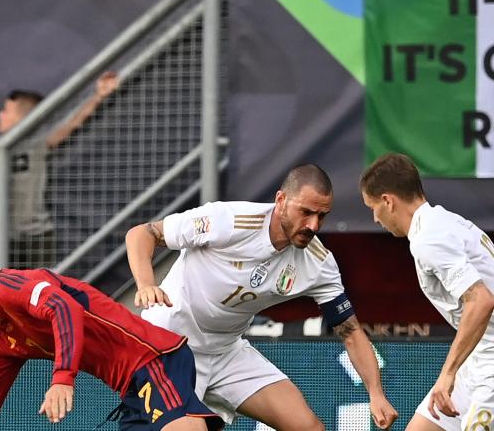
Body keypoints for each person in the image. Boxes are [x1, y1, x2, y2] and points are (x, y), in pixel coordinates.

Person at [125, 164, 399, 429]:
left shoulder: (319, 263)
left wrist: (376, 394)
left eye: (322, 215)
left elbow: (350, 331)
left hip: (225, 351)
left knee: (306, 427)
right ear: (281, 200)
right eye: (305, 212)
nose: (313, 225)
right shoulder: (229, 220)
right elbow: (143, 233)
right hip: (171, 343)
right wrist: (147, 284)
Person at [0, 252, 225, 430]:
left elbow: (65, 308)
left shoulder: (15, 285)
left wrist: (63, 379)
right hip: (132, 388)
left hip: (154, 359)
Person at [359, 153, 494, 431]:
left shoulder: (428, 239)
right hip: (479, 365)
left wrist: (447, 375)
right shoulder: (451, 221)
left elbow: (482, 301)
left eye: (372, 207)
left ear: (388, 201)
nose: (375, 218)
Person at [0, 72, 119, 268]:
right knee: (12, 290)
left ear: (23, 118)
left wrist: (99, 96)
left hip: (39, 233)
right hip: (9, 235)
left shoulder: (38, 142)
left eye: (6, 111)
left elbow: (74, 123)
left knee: (43, 288)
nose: (0, 115)